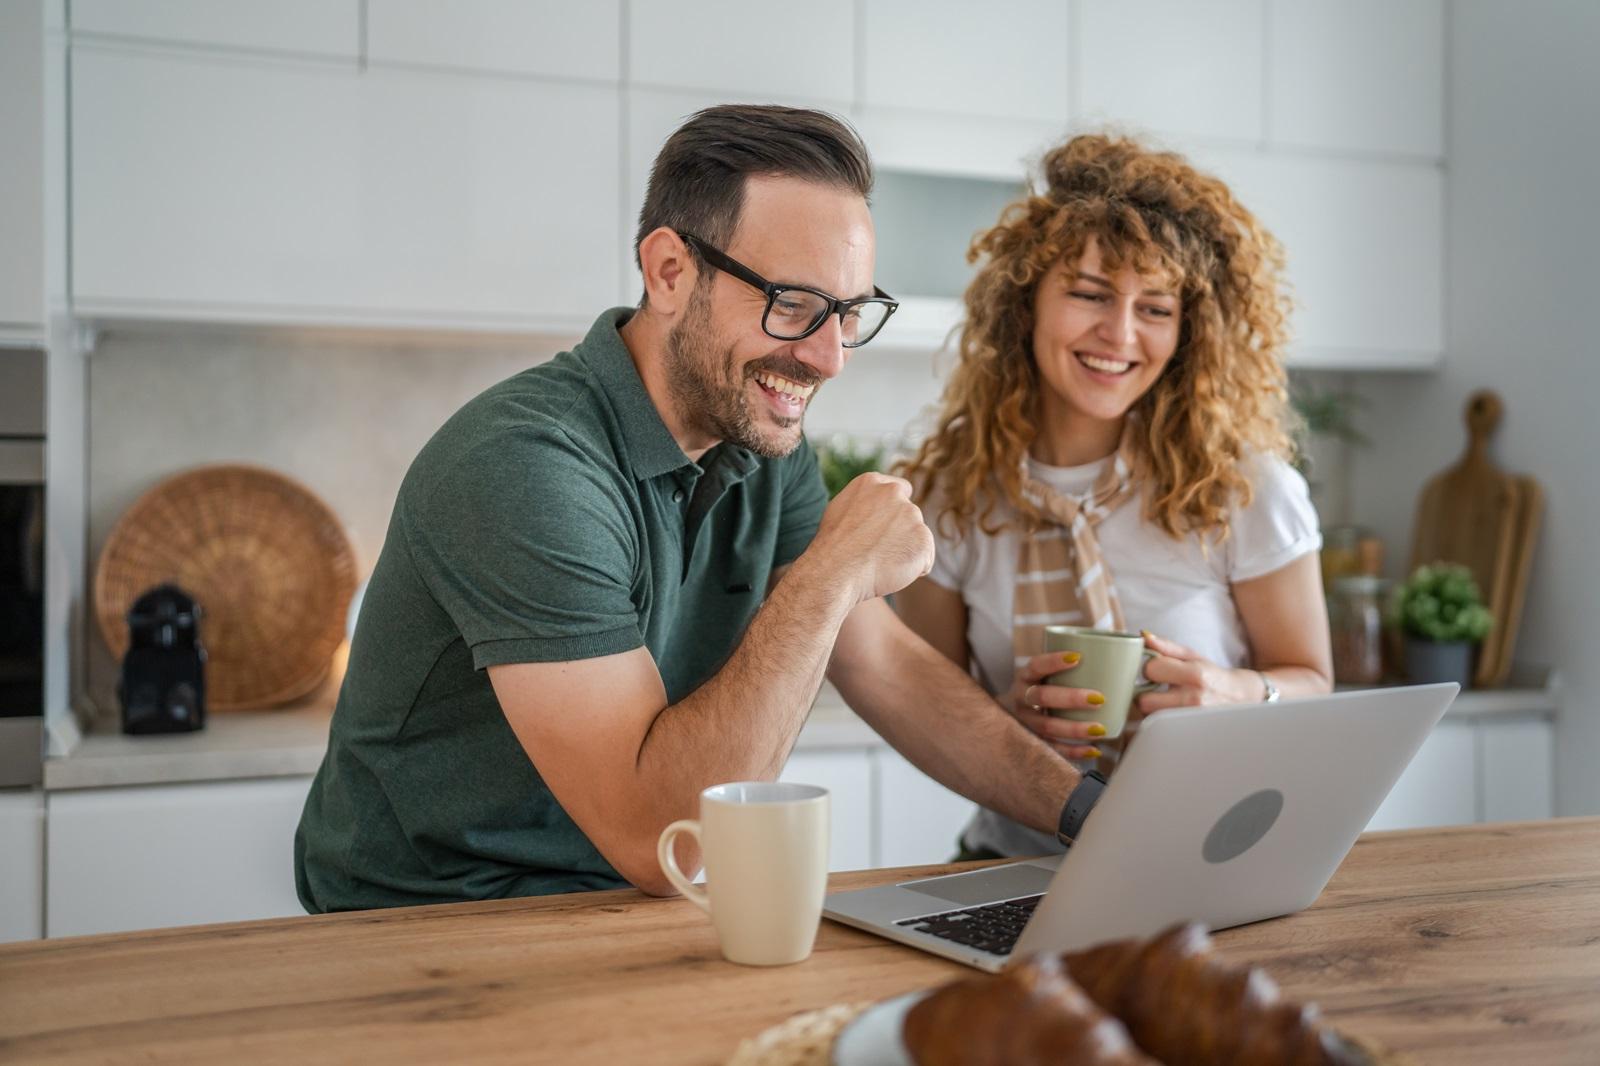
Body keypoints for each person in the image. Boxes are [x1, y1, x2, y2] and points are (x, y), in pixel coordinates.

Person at [294, 105, 1093, 911]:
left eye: (850, 315)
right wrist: (831, 572)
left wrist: (1089, 816)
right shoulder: (525, 465)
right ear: (670, 270)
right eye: (794, 304)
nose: (829, 358)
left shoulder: (759, 437)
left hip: (624, 909)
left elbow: (882, 665)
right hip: (424, 921)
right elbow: (660, 838)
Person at [894, 133, 1334, 861]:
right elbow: (923, 707)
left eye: (1156, 309)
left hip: (1209, 859)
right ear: (1023, 303)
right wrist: (1007, 725)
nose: (1120, 334)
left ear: (1189, 332)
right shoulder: (946, 500)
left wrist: (1234, 692)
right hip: (1011, 863)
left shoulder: (1245, 491)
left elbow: (1313, 683)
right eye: (1091, 294)